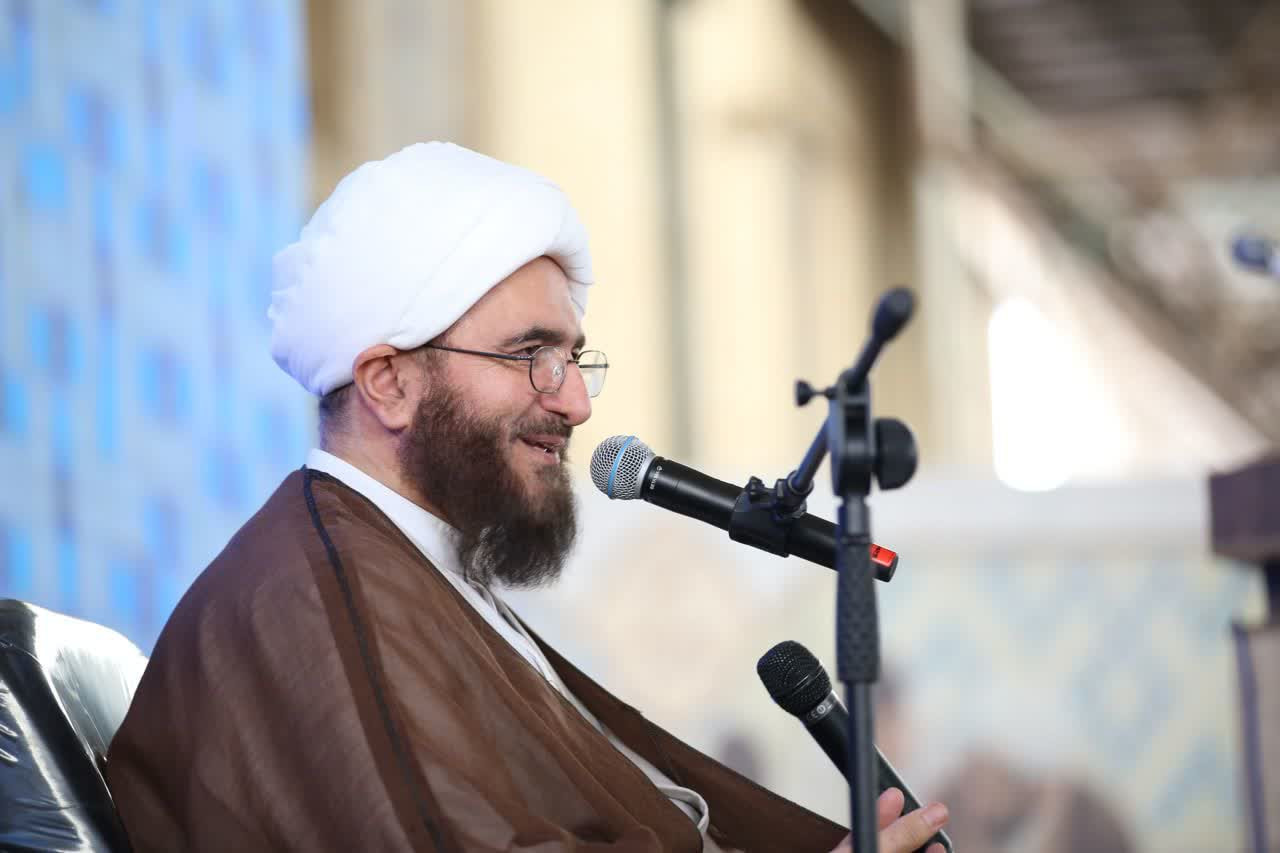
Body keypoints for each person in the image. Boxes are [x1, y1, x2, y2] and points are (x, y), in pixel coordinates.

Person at [105, 142, 949, 852]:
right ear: (388, 382)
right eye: (531, 355)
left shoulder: (408, 573)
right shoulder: (312, 605)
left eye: (574, 357)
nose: (576, 401)